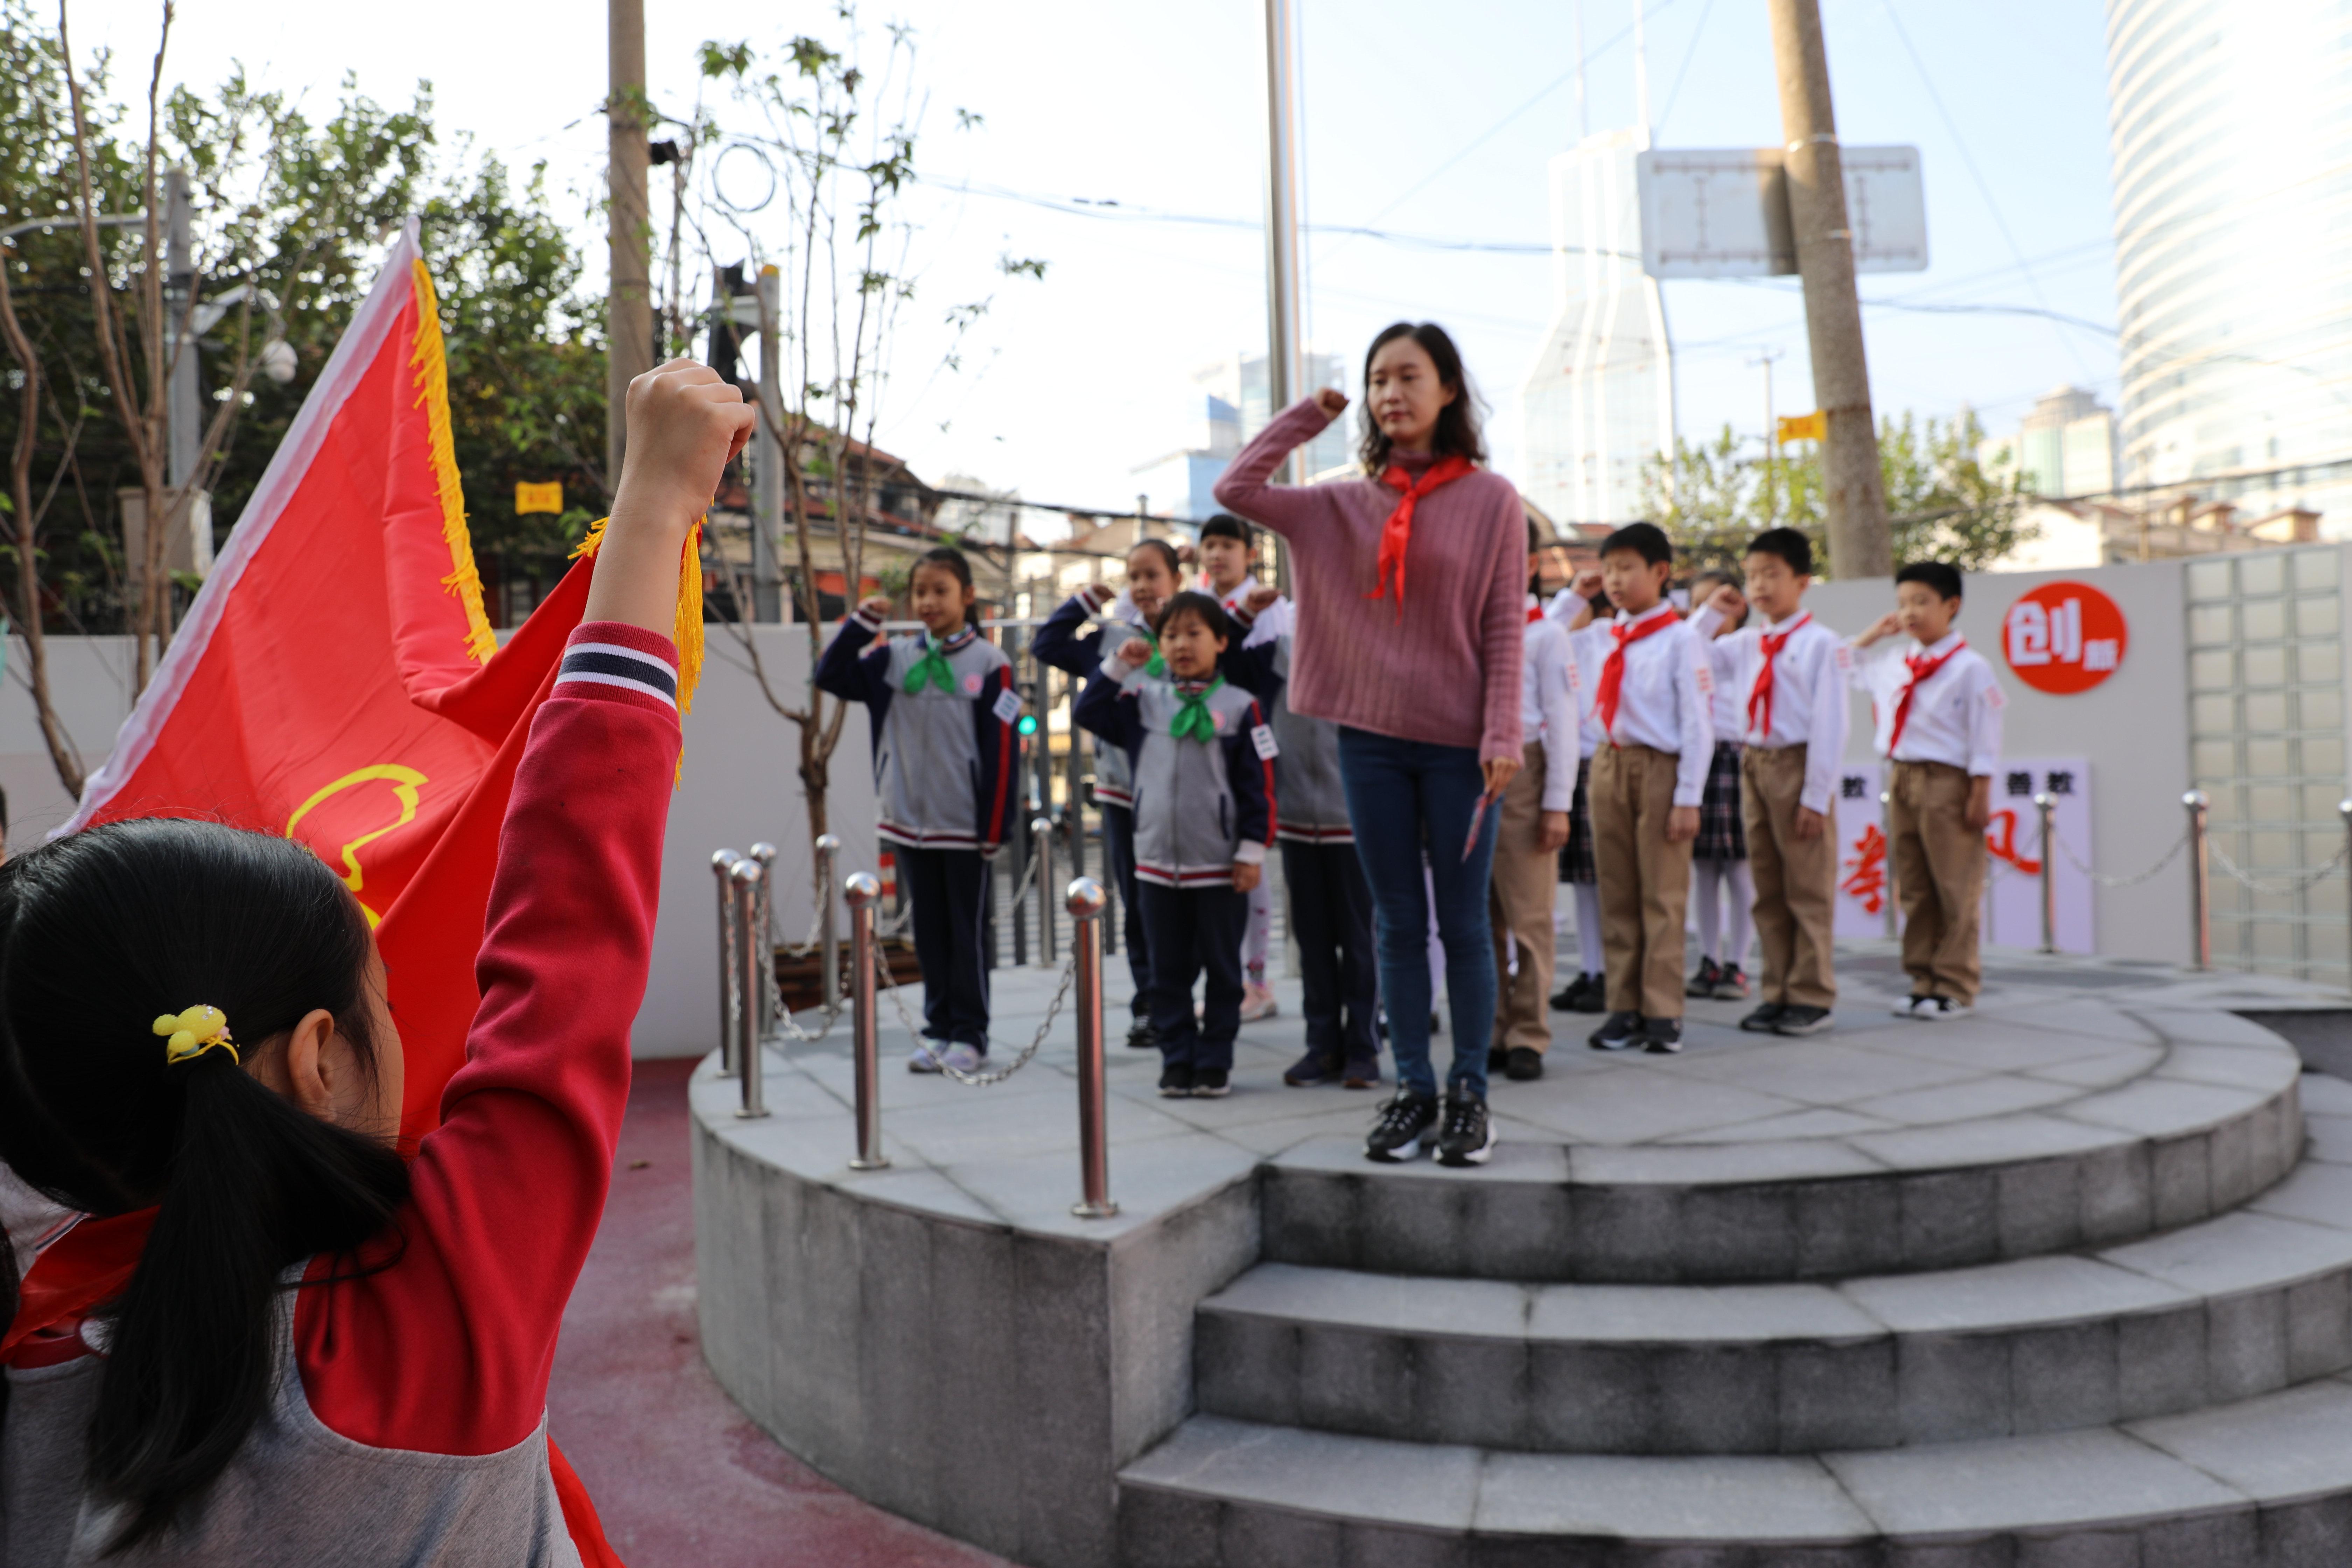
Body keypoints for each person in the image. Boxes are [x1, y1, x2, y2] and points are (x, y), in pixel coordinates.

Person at [0, 356, 751, 1561]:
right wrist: (659, 499)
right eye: (384, 998)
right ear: (317, 1059)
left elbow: (570, 923)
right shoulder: (433, 1323)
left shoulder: (31, 1365)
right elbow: (568, 893)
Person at [1213, 320, 1524, 1168]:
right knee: (1394, 922)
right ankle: (1411, 1090)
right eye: (1379, 379)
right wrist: (1305, 418)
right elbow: (1238, 491)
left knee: (1461, 925)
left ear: (1449, 389)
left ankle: (1469, 1095)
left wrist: (1502, 731)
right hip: (1370, 744)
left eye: (1409, 376)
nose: (1392, 393)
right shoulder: (1338, 504)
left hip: (1462, 747)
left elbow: (1504, 626)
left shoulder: (1494, 501)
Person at [816, 547, 1021, 1074]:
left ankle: (971, 1034)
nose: (928, 602)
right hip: (908, 823)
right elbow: (830, 675)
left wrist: (995, 828)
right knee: (929, 934)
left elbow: (1002, 753)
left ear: (968, 597)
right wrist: (862, 625)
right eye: (921, 592)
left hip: (965, 829)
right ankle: (938, 1031)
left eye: (941, 591)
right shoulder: (893, 659)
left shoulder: (992, 665)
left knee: (966, 935)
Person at [1074, 592, 1276, 1098]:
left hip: (1220, 867)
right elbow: (1088, 710)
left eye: (1194, 634)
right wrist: (1120, 664)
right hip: (1158, 866)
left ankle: (1215, 1059)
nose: (1182, 644)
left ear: (1221, 642)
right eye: (1171, 635)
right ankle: (1178, 1056)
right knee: (1167, 973)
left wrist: (1252, 853)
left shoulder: (1240, 706)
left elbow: (1260, 787)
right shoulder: (1144, 703)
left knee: (1224, 972)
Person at [1690, 528, 1850, 1035]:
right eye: (1753, 574)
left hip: (1798, 763)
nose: (1759, 585)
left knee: (1807, 886)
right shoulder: (1745, 642)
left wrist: (1815, 794)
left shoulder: (1822, 645)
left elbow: (1832, 723)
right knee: (1768, 888)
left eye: (1772, 574)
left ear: (1802, 581)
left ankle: (1812, 994)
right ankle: (1777, 991)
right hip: (1753, 763)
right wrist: (1712, 612)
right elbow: (1689, 651)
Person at [1031, 541, 1183, 1051]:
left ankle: (1187, 1003)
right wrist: (1081, 604)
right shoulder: (1109, 639)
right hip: (1123, 795)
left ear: (1177, 581)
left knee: (1190, 904)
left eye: (1153, 575)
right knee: (1139, 904)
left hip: (1187, 798)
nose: (1142, 586)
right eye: (1133, 576)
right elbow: (1047, 646)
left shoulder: (1194, 634)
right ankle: (1151, 1006)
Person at [1851, 561, 2003, 1019]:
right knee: (1915, 885)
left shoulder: (1971, 668)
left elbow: (1985, 735)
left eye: (1921, 602)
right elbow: (1841, 668)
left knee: (1954, 885)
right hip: (1902, 777)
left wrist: (1980, 792)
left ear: (1951, 606)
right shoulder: (1896, 662)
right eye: (1902, 603)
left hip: (1948, 781)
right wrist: (1873, 635)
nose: (1910, 612)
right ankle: (1922, 979)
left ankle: (1955, 983)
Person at [1583, 522, 1713, 1055]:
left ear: (1661, 574)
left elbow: (1698, 724)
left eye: (1627, 568)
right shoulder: (1602, 635)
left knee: (1661, 893)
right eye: (1609, 568)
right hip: (1609, 765)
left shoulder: (1681, 639)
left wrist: (1688, 797)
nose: (1615, 579)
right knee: (1617, 892)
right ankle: (1624, 1006)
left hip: (1660, 769)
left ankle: (1662, 1010)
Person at [1266, 626, 1382, 1090]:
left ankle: (1363, 1046)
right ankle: (1322, 1044)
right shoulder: (1274, 639)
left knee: (1358, 942)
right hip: (1296, 819)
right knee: (1311, 942)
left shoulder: (1365, 638)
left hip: (1351, 822)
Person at [1488, 518, 1577, 1082]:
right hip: (1468, 775)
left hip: (1524, 771)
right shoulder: (1467, 627)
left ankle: (1529, 1033)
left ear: (1528, 565)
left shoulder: (1546, 634)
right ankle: (1492, 1025)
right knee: (1480, 922)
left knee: (1529, 917)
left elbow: (1564, 720)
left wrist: (1557, 804)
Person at [1196, 513, 1290, 1024]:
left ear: (1250, 553)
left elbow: (1267, 683)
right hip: (1206, 746)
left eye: (1227, 545)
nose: (1217, 554)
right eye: (1209, 545)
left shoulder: (1268, 607)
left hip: (1252, 745)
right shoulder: (1202, 603)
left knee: (1252, 866)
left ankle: (1256, 981)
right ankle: (1227, 980)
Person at [1682, 566, 1758, 1005]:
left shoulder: (1738, 647)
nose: (1709, 612)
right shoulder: (1689, 648)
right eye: (1698, 604)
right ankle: (1709, 959)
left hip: (1736, 758)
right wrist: (1705, 616)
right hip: (1700, 762)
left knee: (1740, 870)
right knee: (1704, 871)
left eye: (1721, 602)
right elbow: (1687, 643)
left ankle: (1739, 963)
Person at [1546, 569, 1611, 1014]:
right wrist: (1572, 598)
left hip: (1604, 762)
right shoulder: (1572, 639)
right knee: (1585, 885)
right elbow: (1546, 629)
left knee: (1609, 882)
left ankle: (1613, 973)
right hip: (1573, 766)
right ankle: (1593, 971)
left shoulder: (1610, 634)